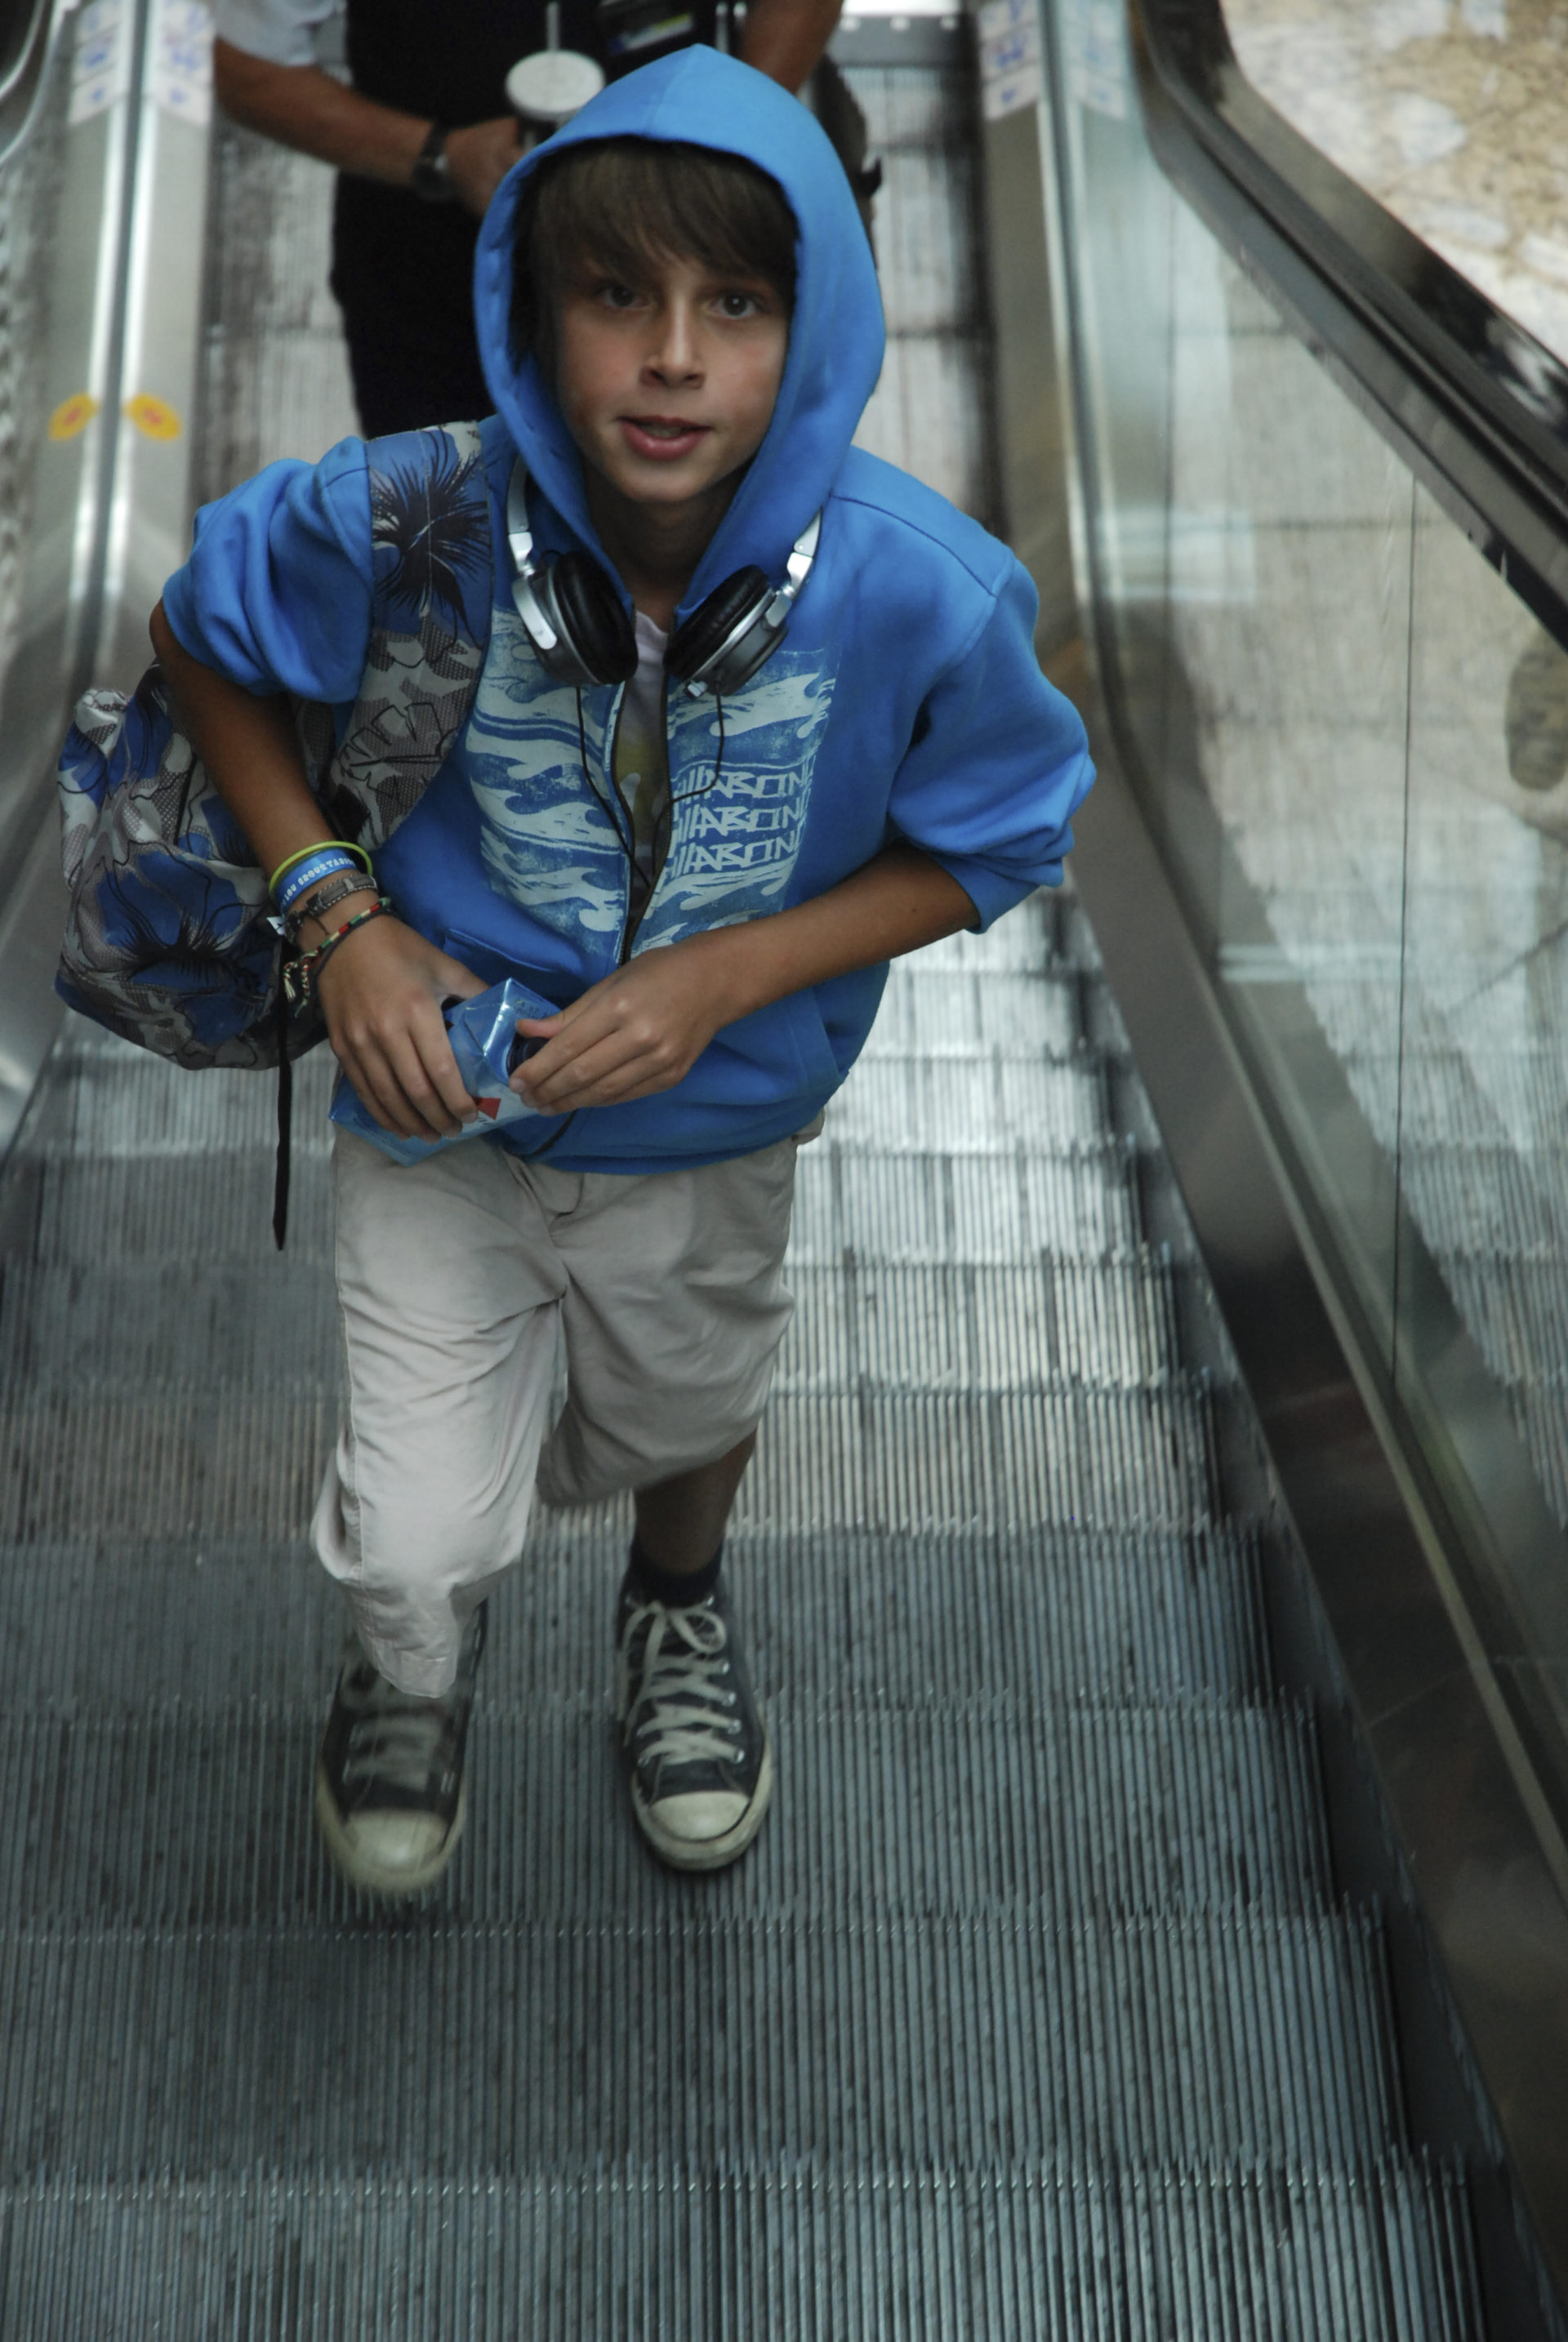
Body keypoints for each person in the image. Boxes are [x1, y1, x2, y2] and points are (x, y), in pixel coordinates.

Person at [148, 49, 1094, 1897]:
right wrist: (338, 909)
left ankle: (674, 1597)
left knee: (689, 1406)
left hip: (710, 1126)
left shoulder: (922, 590)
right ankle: (412, 1649)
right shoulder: (407, 516)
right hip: (435, 1109)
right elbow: (204, 635)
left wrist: (731, 975)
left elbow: (997, 838)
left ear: (817, 331)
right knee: (412, 1530)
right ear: (527, 311)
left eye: (735, 305)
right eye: (613, 295)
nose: (670, 358)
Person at [212, 0, 865, 436]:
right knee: (444, 537)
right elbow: (246, 67)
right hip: (432, 284)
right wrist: (437, 155)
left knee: (677, 517)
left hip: (673, 256)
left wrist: (721, 143)